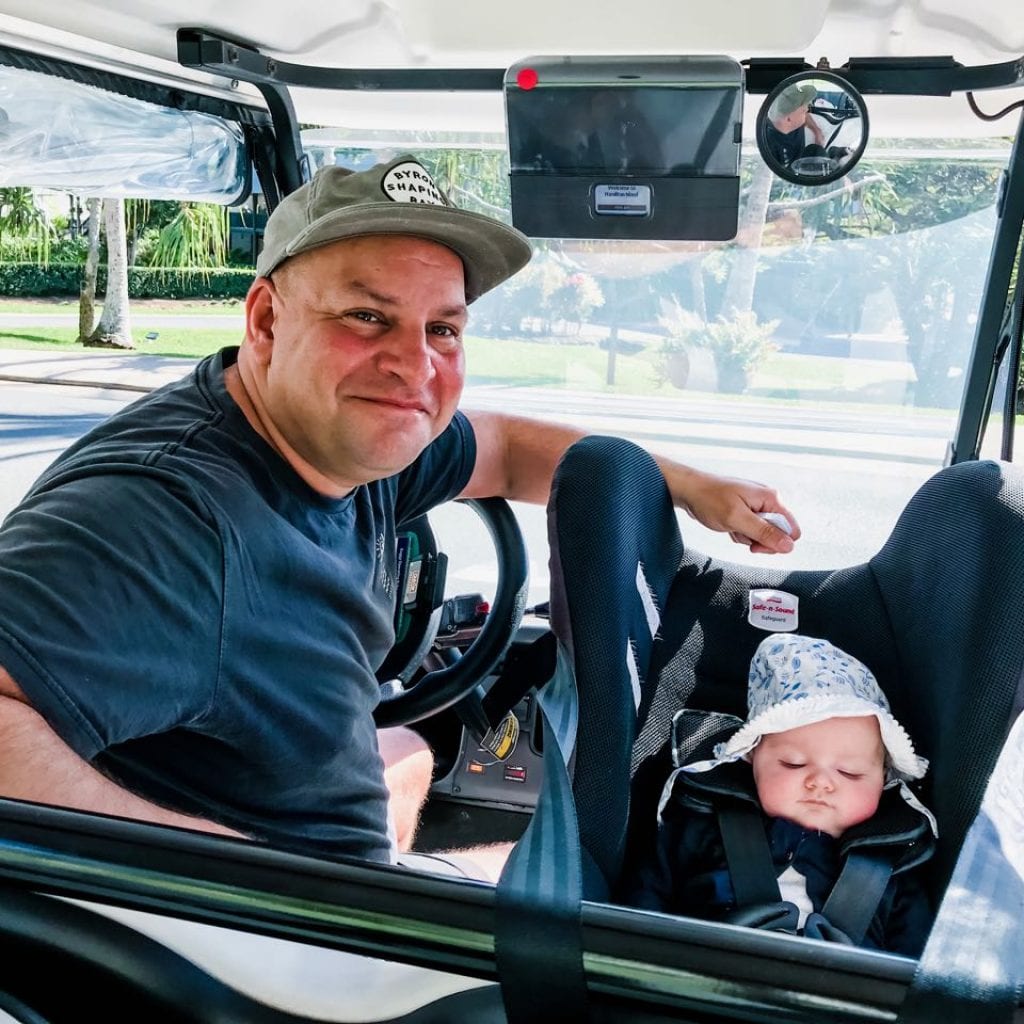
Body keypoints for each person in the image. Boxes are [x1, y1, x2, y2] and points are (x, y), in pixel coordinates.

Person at [0, 153, 800, 879]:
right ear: (266, 320)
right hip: (303, 958)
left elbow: (505, 447)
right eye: (367, 317)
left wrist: (691, 485)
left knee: (411, 751)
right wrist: (222, 884)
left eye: (443, 329)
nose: (414, 367)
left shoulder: (346, 438)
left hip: (330, 878)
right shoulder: (169, 517)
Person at [627, 633, 936, 956]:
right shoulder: (698, 827)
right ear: (751, 759)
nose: (820, 782)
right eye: (794, 763)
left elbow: (916, 964)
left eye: (849, 772)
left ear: (882, 781)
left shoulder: (896, 871)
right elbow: (643, 903)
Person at [763, 82, 824, 168]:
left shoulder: (785, 120)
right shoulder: (770, 152)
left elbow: (805, 116)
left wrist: (817, 131)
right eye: (803, 110)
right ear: (788, 119)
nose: (807, 109)